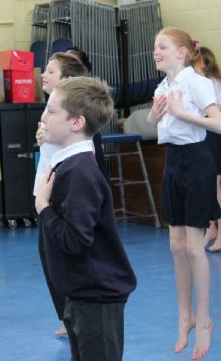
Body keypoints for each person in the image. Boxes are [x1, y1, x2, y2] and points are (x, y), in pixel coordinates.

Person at [35, 76, 136, 361]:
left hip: (96, 296)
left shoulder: (79, 171)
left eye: (52, 111)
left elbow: (75, 239)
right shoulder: (69, 164)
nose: (44, 117)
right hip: (80, 291)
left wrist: (44, 207)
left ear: (76, 122)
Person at [148, 27, 221, 360]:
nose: (156, 52)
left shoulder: (197, 82)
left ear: (181, 52)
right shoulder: (163, 87)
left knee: (194, 247)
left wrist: (183, 115)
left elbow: (217, 123)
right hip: (173, 163)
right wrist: (155, 116)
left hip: (197, 162)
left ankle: (204, 319)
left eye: (162, 47)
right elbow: (162, 126)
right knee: (176, 245)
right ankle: (185, 316)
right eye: (155, 47)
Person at [34, 52, 107, 339]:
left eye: (51, 71)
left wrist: (46, 205)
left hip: (58, 199)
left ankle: (74, 316)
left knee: (65, 254)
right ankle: (68, 317)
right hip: (48, 194)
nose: (43, 75)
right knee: (49, 258)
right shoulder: (54, 114)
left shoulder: (81, 160)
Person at [192, 46, 221, 252]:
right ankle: (211, 229)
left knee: (215, 186)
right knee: (210, 185)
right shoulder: (209, 81)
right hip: (207, 135)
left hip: (213, 136)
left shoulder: (210, 83)